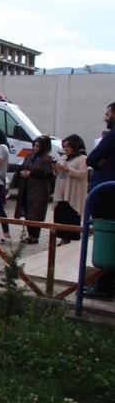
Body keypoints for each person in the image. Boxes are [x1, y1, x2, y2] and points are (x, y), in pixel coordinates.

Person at [85, 102, 115, 299]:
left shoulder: (112, 136)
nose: (105, 116)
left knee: (106, 239)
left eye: (108, 113)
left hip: (105, 195)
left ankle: (104, 287)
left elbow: (91, 159)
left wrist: (100, 161)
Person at [14, 137, 54, 244]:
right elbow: (23, 166)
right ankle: (30, 235)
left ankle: (35, 236)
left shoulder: (46, 159)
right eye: (34, 145)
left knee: (36, 213)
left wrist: (31, 174)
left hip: (39, 191)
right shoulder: (30, 156)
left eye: (38, 146)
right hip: (27, 188)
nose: (35, 148)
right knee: (28, 212)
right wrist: (22, 173)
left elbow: (47, 174)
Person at [53, 134, 88, 247]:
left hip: (72, 192)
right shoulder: (64, 157)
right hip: (61, 192)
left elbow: (82, 174)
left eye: (68, 146)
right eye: (64, 146)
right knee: (60, 214)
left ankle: (68, 238)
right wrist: (56, 168)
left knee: (69, 214)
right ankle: (62, 237)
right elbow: (58, 173)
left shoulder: (82, 159)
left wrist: (67, 169)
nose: (65, 148)